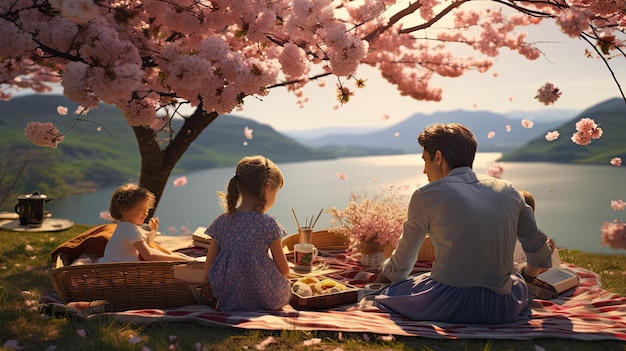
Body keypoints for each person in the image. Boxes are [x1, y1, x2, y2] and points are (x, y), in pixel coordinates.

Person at [374, 123, 553, 324]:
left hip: (450, 304)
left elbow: (402, 265)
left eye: (425, 160)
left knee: (395, 291)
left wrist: (384, 276)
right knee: (515, 280)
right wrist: (527, 276)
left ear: (438, 157)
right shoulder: (509, 190)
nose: (424, 170)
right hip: (502, 306)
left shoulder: (426, 195)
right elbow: (540, 250)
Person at [203, 155, 291, 312]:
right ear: (266, 189)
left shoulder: (222, 221)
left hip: (228, 298)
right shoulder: (268, 223)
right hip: (266, 299)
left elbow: (209, 267)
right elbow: (284, 270)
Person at [98, 184, 191, 263]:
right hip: (120, 272)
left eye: (147, 209)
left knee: (174, 255)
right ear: (124, 210)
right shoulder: (130, 229)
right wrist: (183, 260)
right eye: (141, 209)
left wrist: (153, 231)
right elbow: (149, 256)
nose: (146, 213)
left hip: (112, 265)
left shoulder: (124, 225)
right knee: (174, 257)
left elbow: (144, 244)